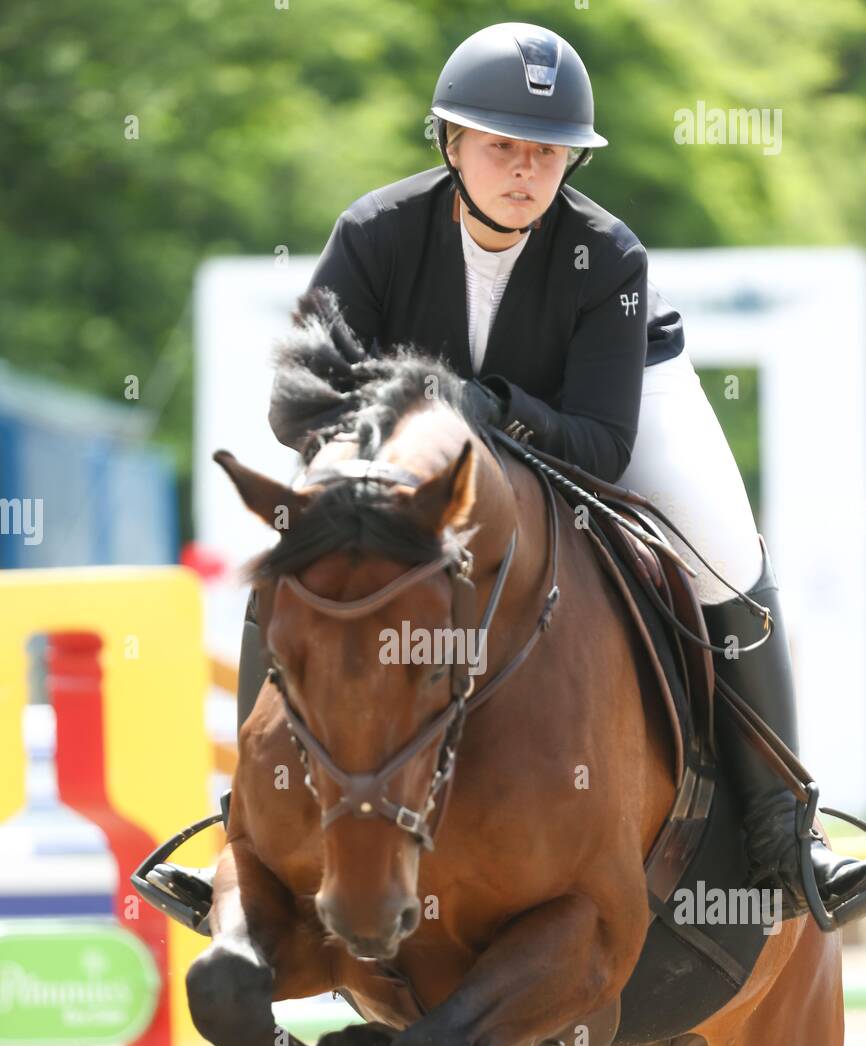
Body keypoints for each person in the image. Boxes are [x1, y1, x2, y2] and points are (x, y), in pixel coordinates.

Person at [162, 21, 866, 931]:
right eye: (502, 146)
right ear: (451, 142)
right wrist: (395, 435)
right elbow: (295, 407)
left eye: (548, 152)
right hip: (410, 442)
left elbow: (604, 445)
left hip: (613, 399)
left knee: (725, 552)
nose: (526, 170)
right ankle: (244, 828)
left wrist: (491, 406)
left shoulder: (608, 257)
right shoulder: (375, 232)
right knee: (304, 546)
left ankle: (782, 827)